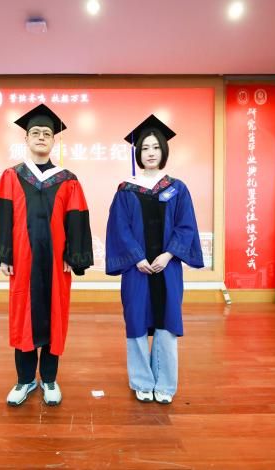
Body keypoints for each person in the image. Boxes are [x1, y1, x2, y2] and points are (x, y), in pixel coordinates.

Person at [0, 104, 93, 406]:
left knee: (55, 315)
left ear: (54, 140)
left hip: (56, 263)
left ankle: (50, 379)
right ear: (26, 139)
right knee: (23, 316)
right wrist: (3, 254)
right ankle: (25, 380)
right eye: (35, 133)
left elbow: (77, 218)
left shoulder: (67, 179)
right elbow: (2, 214)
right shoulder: (12, 176)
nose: (41, 137)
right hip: (24, 260)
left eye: (46, 133)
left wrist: (73, 255)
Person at [105, 114, 204, 404]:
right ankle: (141, 381)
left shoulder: (177, 188)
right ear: (138, 152)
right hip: (137, 270)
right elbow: (119, 228)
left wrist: (168, 254)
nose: (150, 152)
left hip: (167, 267)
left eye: (156, 147)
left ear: (164, 151)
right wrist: (137, 258)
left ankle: (165, 384)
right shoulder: (126, 189)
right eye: (145, 148)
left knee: (167, 320)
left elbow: (186, 225)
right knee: (136, 321)